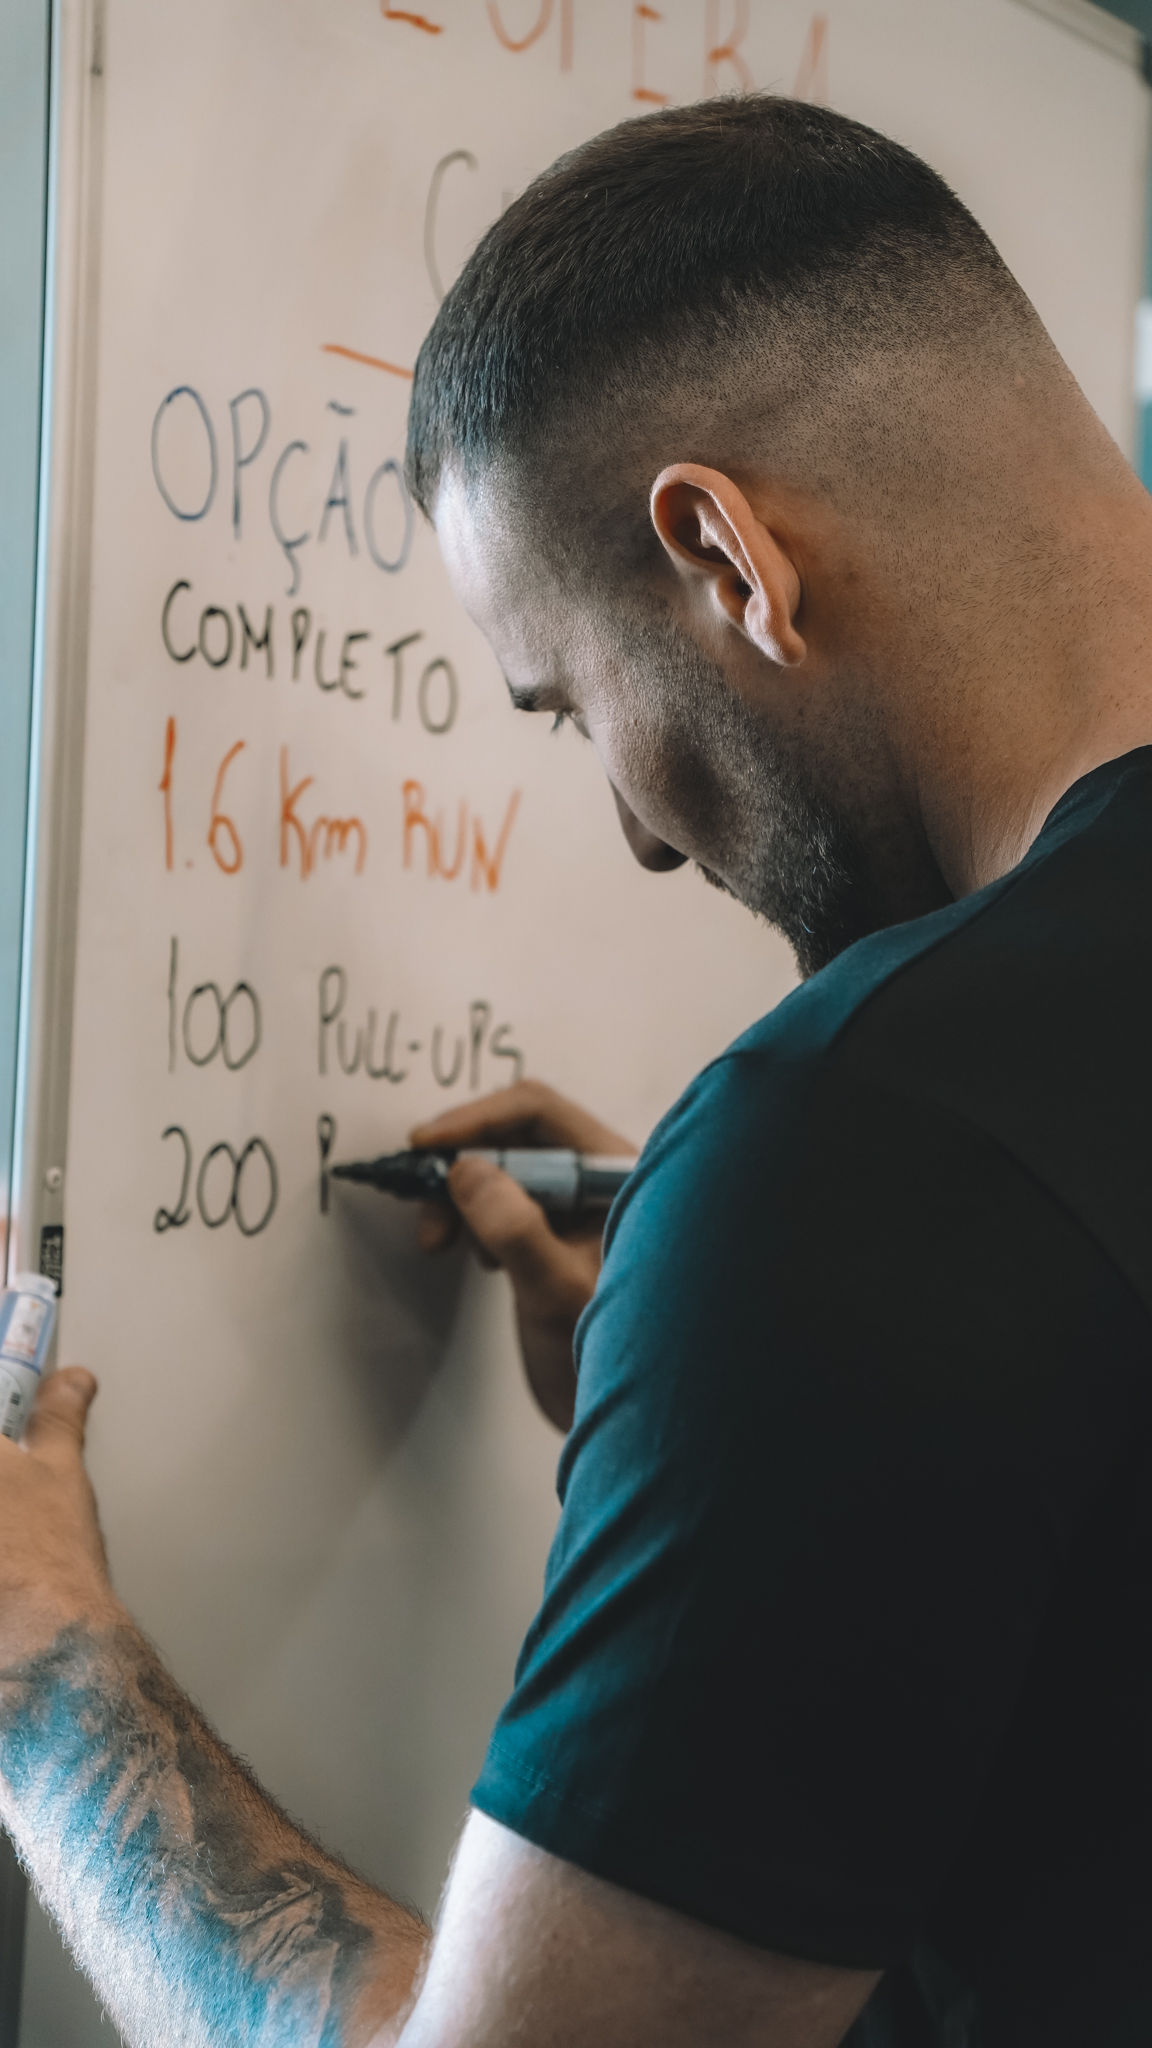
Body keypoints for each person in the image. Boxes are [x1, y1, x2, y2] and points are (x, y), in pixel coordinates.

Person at [2, 89, 1151, 2048]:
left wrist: (51, 1695)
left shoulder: (856, 1146)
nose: (628, 833)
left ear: (725, 555)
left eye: (564, 704)